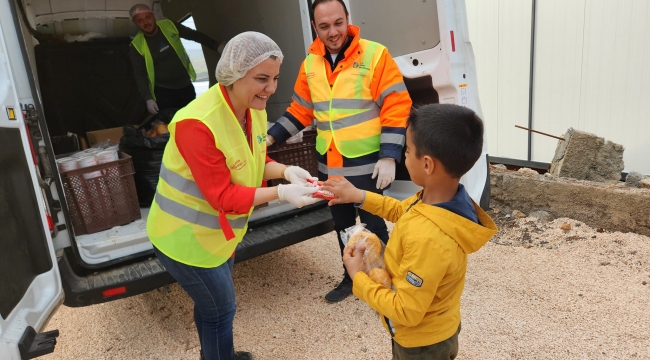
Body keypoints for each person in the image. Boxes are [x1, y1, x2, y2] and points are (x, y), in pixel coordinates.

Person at [146, 32, 321, 360]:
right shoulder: (196, 123)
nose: (271, 89)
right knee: (221, 311)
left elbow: (254, 158)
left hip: (218, 236)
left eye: (275, 78)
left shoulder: (253, 109)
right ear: (233, 74)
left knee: (210, 306)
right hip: (183, 239)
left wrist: (284, 172)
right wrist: (282, 193)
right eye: (261, 79)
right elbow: (222, 196)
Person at [322, 104, 498, 360]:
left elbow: (407, 311)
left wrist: (357, 276)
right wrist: (357, 196)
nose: (404, 156)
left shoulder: (430, 239)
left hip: (421, 346)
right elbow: (400, 210)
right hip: (437, 329)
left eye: (408, 150)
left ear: (427, 164)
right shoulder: (441, 200)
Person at [266, 0, 412, 303]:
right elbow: (301, 111)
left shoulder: (375, 55)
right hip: (330, 163)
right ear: (314, 28)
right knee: (343, 225)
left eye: (338, 23)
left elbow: (397, 105)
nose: (333, 32)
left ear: (348, 19)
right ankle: (353, 279)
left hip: (366, 161)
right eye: (324, 26)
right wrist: (269, 138)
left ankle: (386, 283)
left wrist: (389, 155)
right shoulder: (310, 64)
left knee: (372, 224)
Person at [129, 3, 225, 114]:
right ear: (135, 23)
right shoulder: (136, 45)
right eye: (140, 21)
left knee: (191, 118)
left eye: (147, 17)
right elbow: (139, 74)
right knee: (170, 125)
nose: (145, 23)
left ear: (153, 16)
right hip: (163, 92)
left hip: (185, 85)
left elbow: (193, 35)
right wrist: (148, 98)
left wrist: (216, 46)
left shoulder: (169, 25)